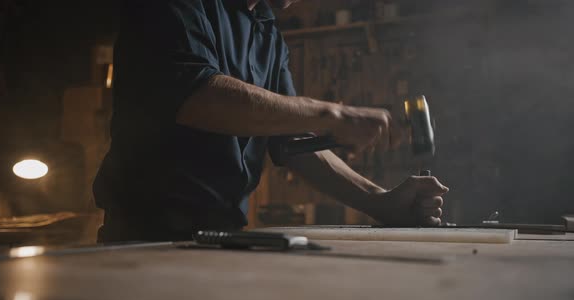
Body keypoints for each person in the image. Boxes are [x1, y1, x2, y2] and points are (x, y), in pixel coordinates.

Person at [93, 0, 449, 243]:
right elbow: (196, 96)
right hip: (144, 235)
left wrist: (381, 201)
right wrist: (333, 115)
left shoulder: (266, 31)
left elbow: (293, 144)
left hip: (222, 235)